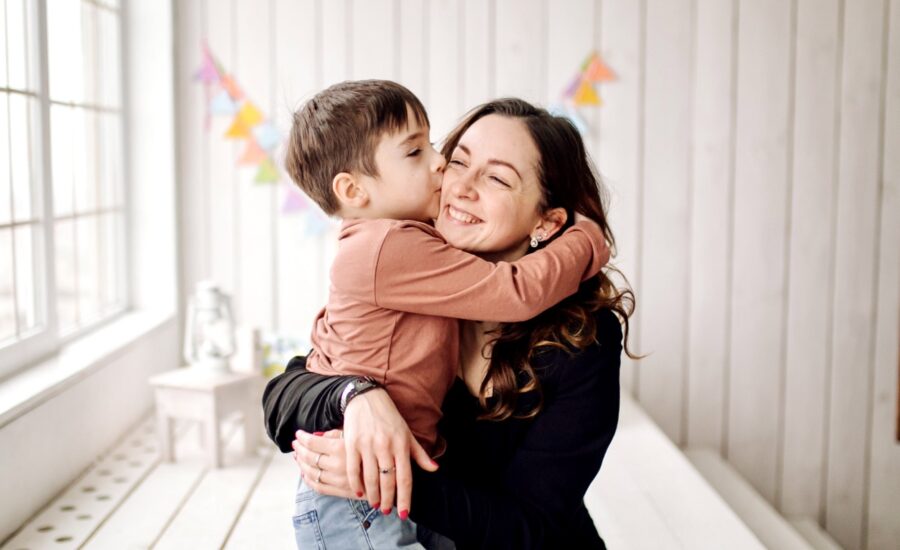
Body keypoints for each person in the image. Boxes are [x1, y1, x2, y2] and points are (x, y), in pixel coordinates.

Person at [265, 98, 636, 549]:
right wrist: (357, 396)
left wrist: (382, 475)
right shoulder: (408, 274)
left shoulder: (584, 341)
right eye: (458, 161)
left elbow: (531, 526)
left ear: (547, 221)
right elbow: (285, 394)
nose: (459, 185)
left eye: (497, 177)